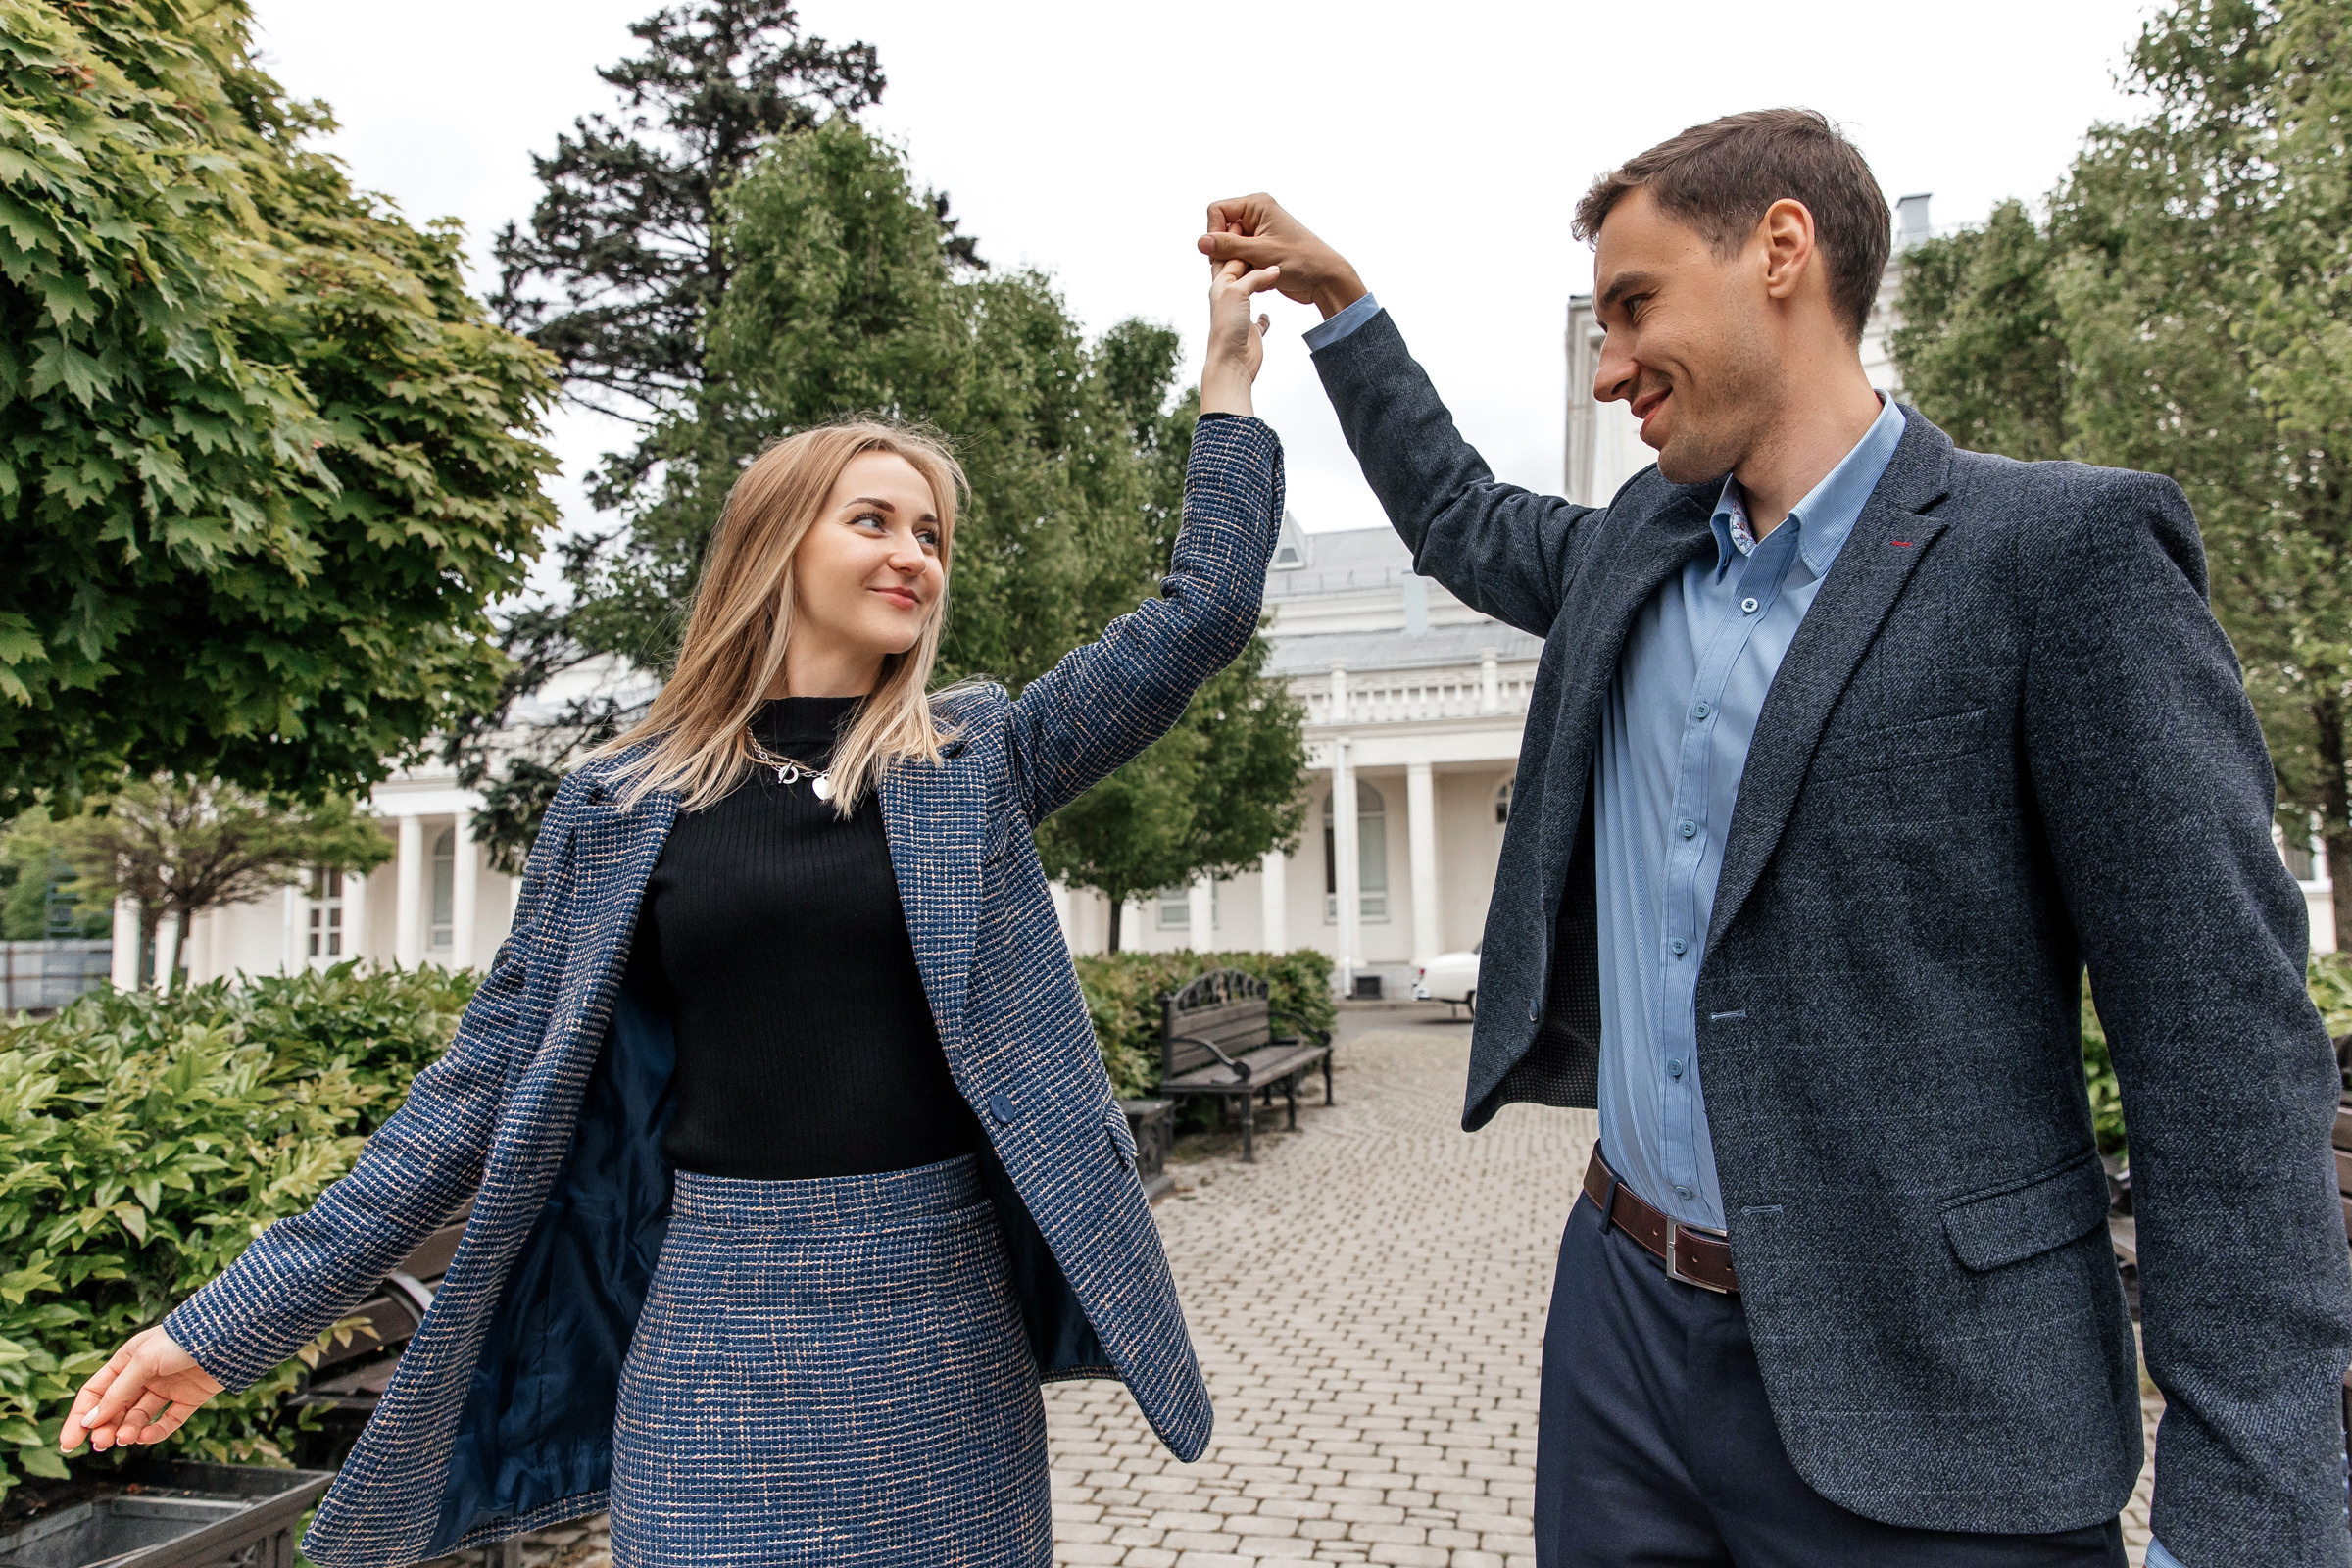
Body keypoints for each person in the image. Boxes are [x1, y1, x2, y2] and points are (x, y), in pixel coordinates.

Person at [1199, 109, 2352, 1568]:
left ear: (1783, 253)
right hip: (1623, 1335)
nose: (1610, 366)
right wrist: (1346, 311)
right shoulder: (1639, 548)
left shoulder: (2059, 562)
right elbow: (1460, 515)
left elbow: (2224, 1058)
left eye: (1634, 306)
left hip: (1935, 1395)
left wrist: (2248, 1523)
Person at [57, 253, 1290, 1567]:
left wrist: (1226, 382)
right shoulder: (621, 804)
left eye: (931, 535)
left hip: (938, 1321)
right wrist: (221, 1328)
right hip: (712, 1329)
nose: (913, 555)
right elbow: (470, 1099)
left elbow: (1201, 612)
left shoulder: (973, 760)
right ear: (777, 543)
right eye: (874, 520)